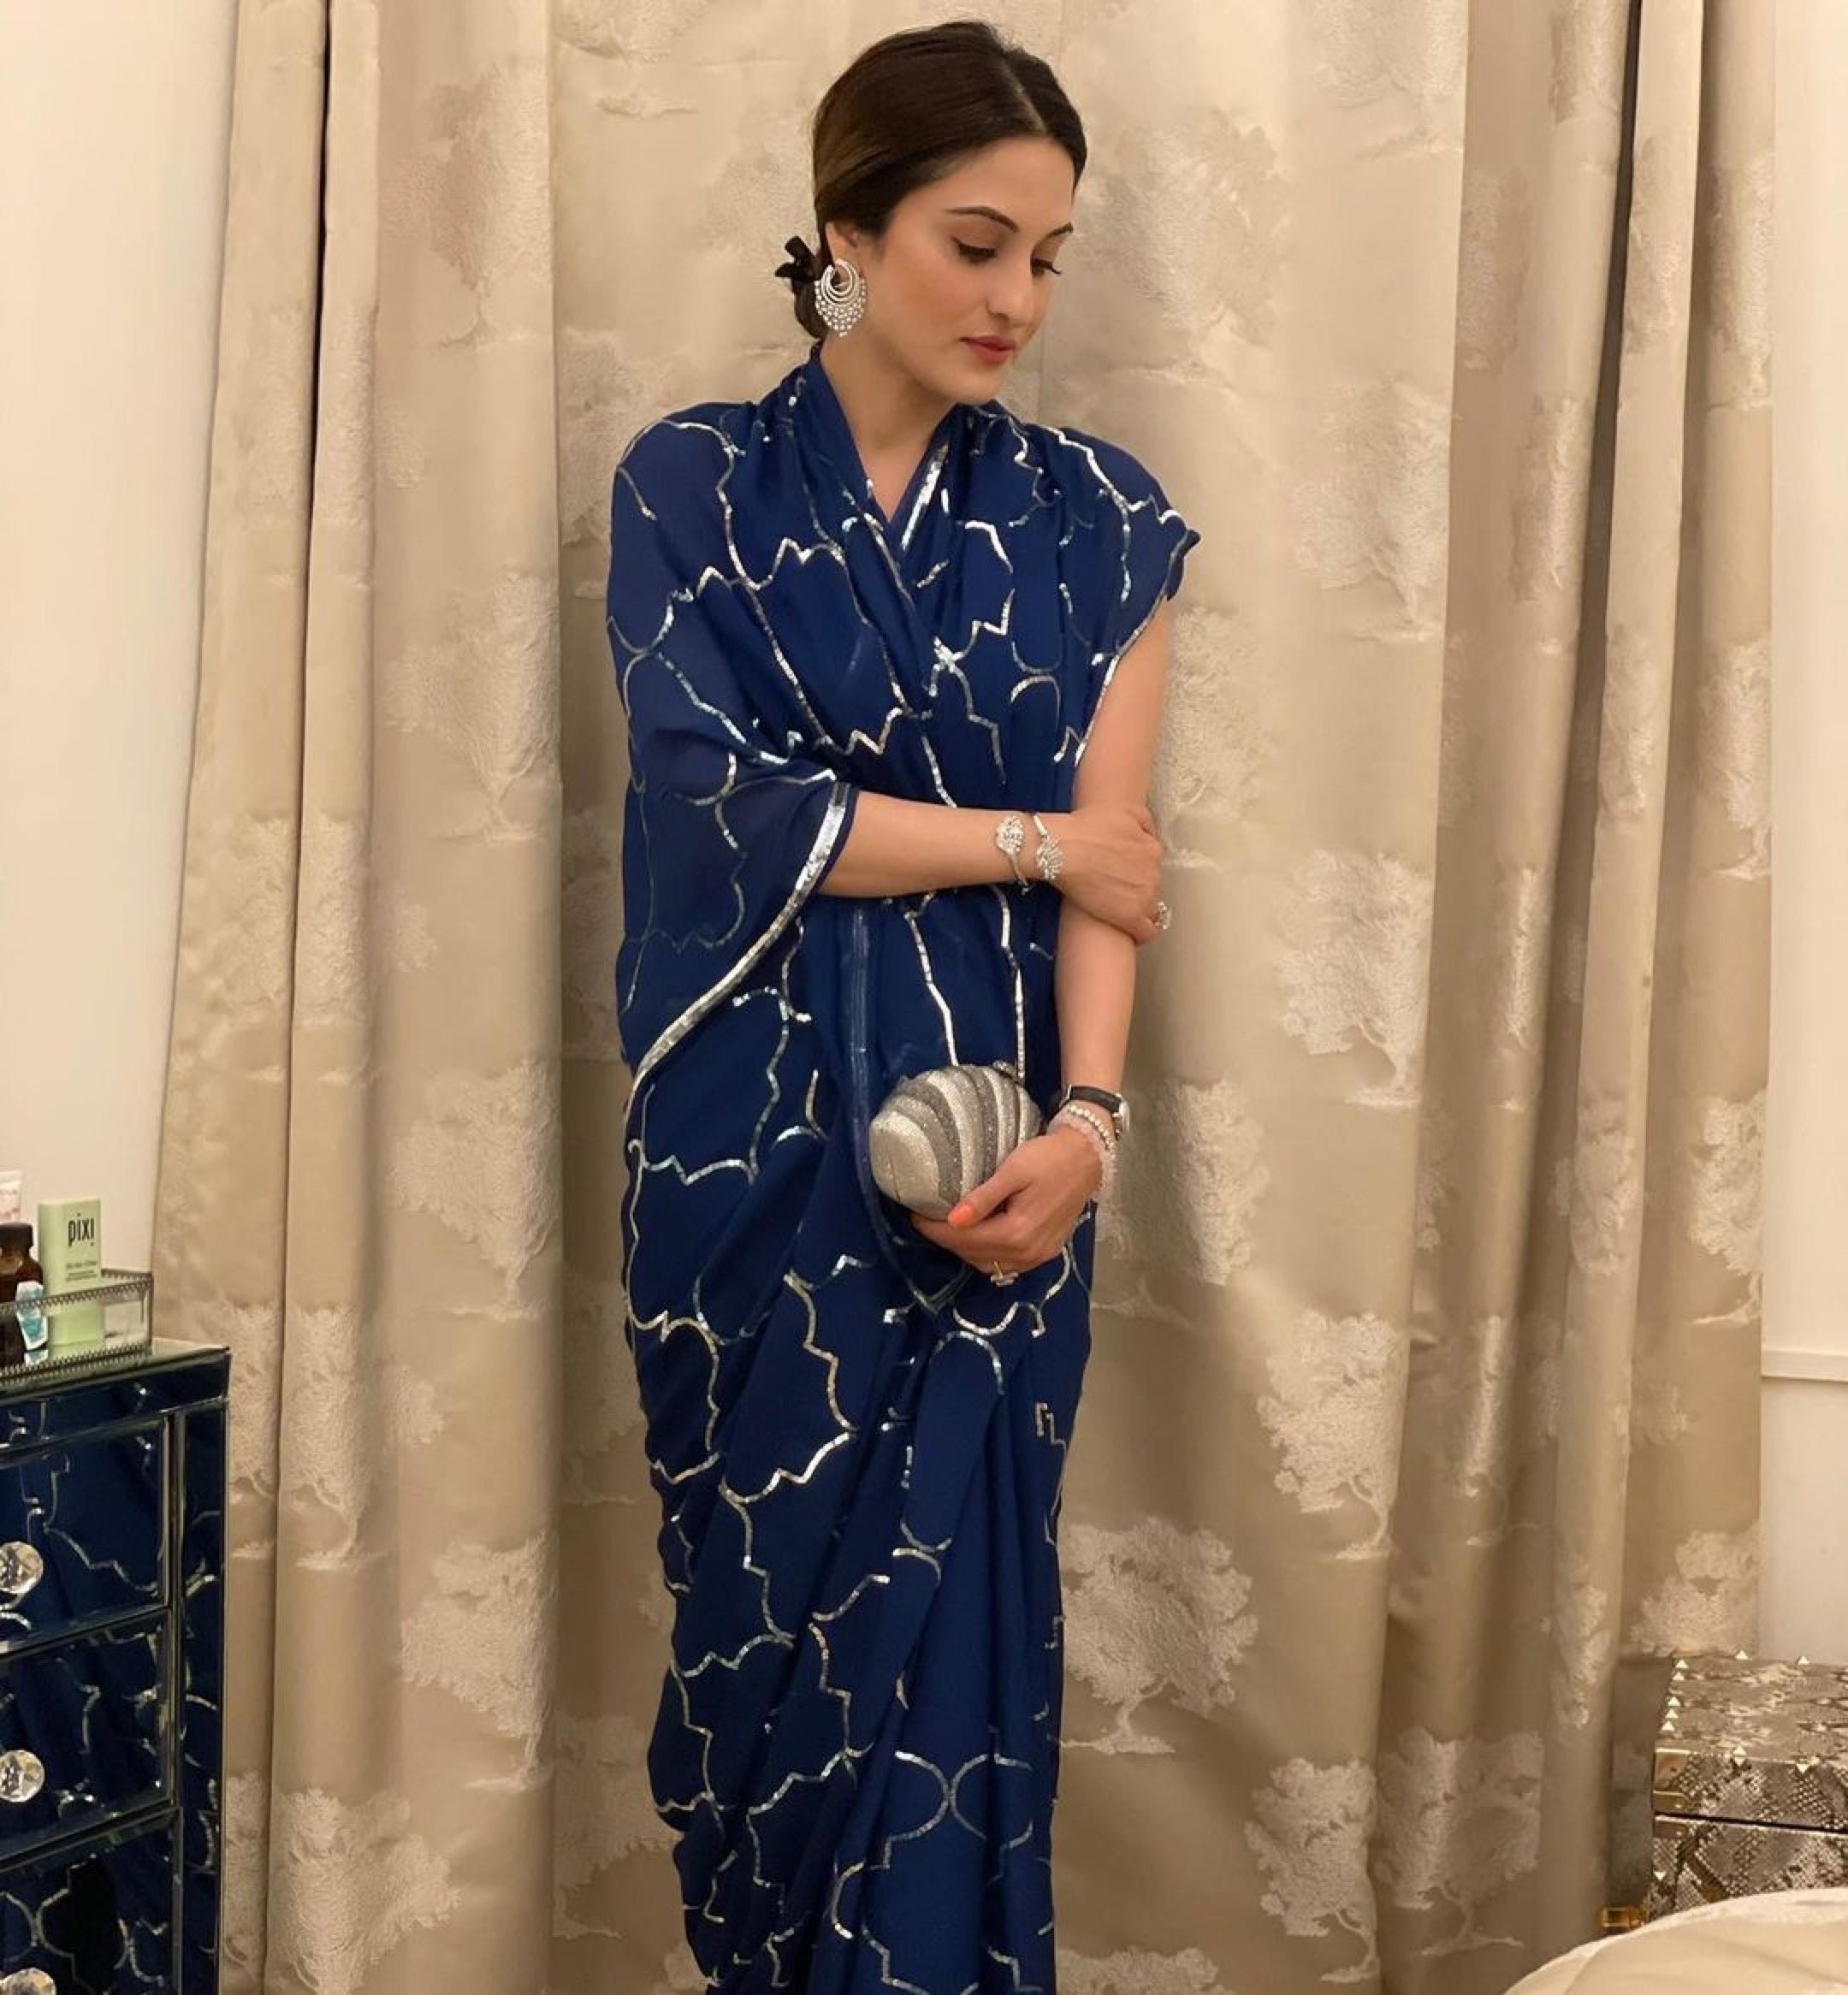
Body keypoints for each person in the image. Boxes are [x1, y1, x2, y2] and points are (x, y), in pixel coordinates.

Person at [605, 20, 1199, 1989]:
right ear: (849, 231)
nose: (1018, 296)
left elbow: (1122, 872)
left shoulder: (1101, 520)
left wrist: (1091, 1126)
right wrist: (1036, 839)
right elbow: (729, 809)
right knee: (760, 1686)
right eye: (976, 242)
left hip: (997, 1177)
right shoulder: (689, 485)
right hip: (751, 1174)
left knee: (953, 1680)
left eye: (1049, 257)